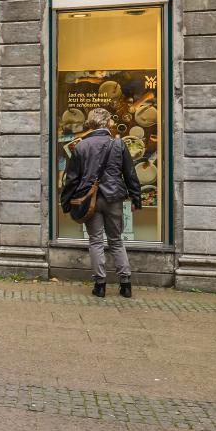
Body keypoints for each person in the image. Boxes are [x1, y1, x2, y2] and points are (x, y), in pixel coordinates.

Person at [60, 107, 142, 299]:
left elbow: (71, 178)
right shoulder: (119, 144)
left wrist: (66, 202)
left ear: (91, 123)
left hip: (90, 199)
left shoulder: (81, 146)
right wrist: (136, 198)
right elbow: (130, 174)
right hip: (114, 198)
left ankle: (100, 285)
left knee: (95, 240)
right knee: (116, 240)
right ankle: (125, 284)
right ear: (108, 123)